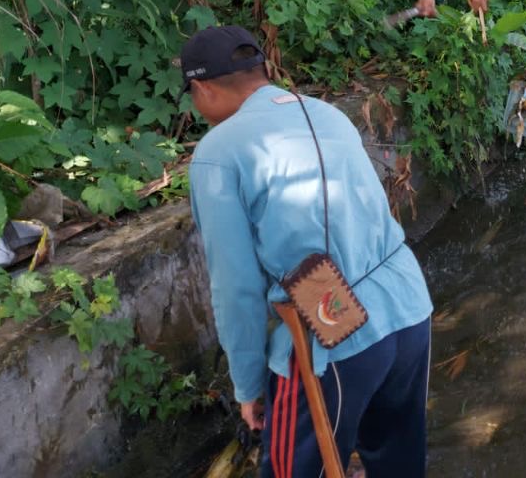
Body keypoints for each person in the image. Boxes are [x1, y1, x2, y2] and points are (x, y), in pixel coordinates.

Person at [182, 25, 433, 478]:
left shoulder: (218, 152)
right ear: (262, 69)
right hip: (406, 298)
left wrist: (250, 387)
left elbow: (235, 287)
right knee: (398, 462)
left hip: (330, 310)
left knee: (289, 470)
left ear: (201, 88)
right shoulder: (326, 112)